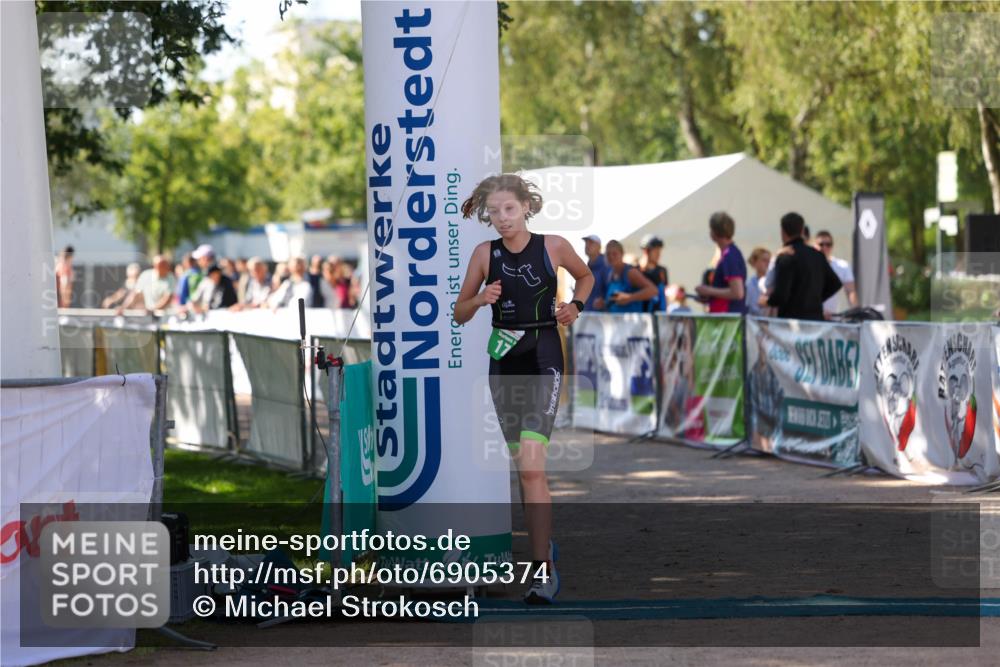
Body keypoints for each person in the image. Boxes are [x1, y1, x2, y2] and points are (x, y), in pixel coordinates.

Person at [453, 173, 594, 604]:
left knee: (533, 467)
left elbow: (585, 277)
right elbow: (458, 313)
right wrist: (480, 300)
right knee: (523, 470)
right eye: (493, 212)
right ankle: (542, 550)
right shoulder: (483, 254)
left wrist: (575, 306)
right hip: (504, 362)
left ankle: (542, 572)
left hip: (544, 357)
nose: (501, 219)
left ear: (526, 207)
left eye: (509, 210)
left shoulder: (552, 246)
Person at [767, 212, 842, 320]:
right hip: (814, 321)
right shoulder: (817, 255)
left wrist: (767, 301)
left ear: (782, 232)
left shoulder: (786, 256)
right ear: (802, 230)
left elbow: (780, 295)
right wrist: (814, 300)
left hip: (790, 323)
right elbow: (835, 284)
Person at [695, 212, 746, 314]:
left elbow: (738, 293)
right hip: (724, 315)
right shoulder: (729, 254)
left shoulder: (730, 256)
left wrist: (708, 290)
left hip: (727, 319)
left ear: (715, 232)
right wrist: (710, 297)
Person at [604, 240, 658, 313]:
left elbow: (653, 290)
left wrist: (630, 298)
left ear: (622, 254)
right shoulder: (611, 274)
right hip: (616, 322)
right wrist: (604, 303)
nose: (611, 257)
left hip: (633, 322)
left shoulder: (630, 272)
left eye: (614, 254)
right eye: (608, 254)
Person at [814, 230, 857, 318]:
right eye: (821, 244)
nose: (824, 247)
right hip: (814, 316)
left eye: (828, 244)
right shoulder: (809, 265)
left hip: (833, 317)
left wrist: (855, 312)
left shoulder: (842, 265)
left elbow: (851, 292)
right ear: (815, 246)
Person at [637, 234, 668, 312]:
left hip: (659, 315)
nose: (659, 254)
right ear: (646, 251)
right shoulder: (636, 270)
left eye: (659, 251)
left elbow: (664, 294)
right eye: (656, 251)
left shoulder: (662, 271)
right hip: (641, 314)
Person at [581, 234, 608, 311]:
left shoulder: (606, 265)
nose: (587, 245)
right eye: (586, 243)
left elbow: (610, 290)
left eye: (591, 243)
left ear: (599, 247)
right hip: (588, 313)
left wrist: (604, 301)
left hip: (602, 316)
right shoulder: (587, 266)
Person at [745, 247, 771, 316]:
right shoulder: (748, 283)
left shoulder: (774, 282)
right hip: (753, 322)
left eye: (769, 261)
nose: (768, 263)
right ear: (754, 262)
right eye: (764, 260)